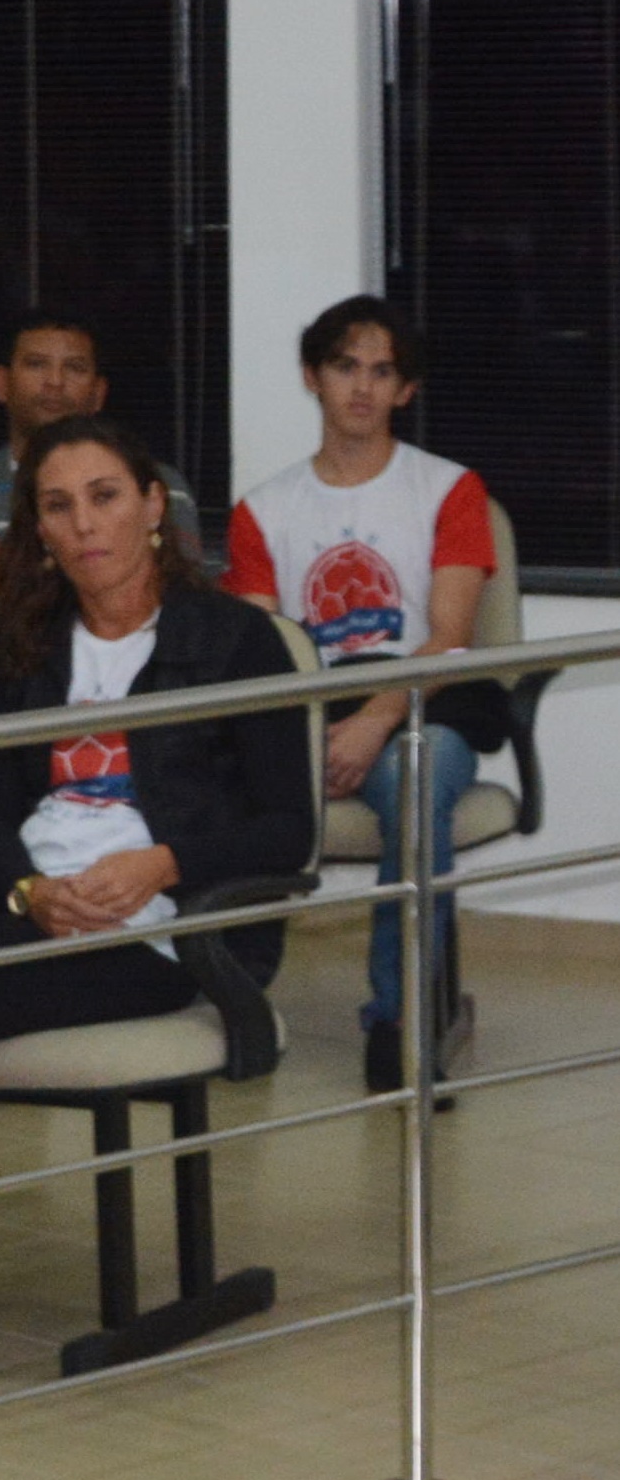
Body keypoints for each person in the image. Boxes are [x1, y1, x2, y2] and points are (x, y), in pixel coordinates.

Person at [0, 415, 314, 1392]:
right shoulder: (26, 648)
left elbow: (286, 828)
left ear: (152, 504)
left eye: (104, 496)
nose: (83, 523)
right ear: (36, 528)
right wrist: (29, 889)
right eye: (57, 505)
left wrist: (161, 862)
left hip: (156, 936)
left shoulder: (234, 641)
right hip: (30, 912)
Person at [223, 295, 503, 1092]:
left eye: (383, 372)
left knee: (418, 772)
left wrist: (377, 720)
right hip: (308, 714)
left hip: (419, 706)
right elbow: (265, 656)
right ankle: (222, 999)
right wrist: (311, 737)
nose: (362, 387)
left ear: (405, 390)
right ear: (312, 376)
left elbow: (451, 636)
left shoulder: (449, 489)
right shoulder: (262, 510)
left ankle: (400, 1020)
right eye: (346, 366)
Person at [0, 310, 201, 594]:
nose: (55, 382)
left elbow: (186, 593)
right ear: (2, 384)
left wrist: (11, 581)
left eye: (74, 367)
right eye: (36, 364)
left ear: (98, 393)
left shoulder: (156, 485)